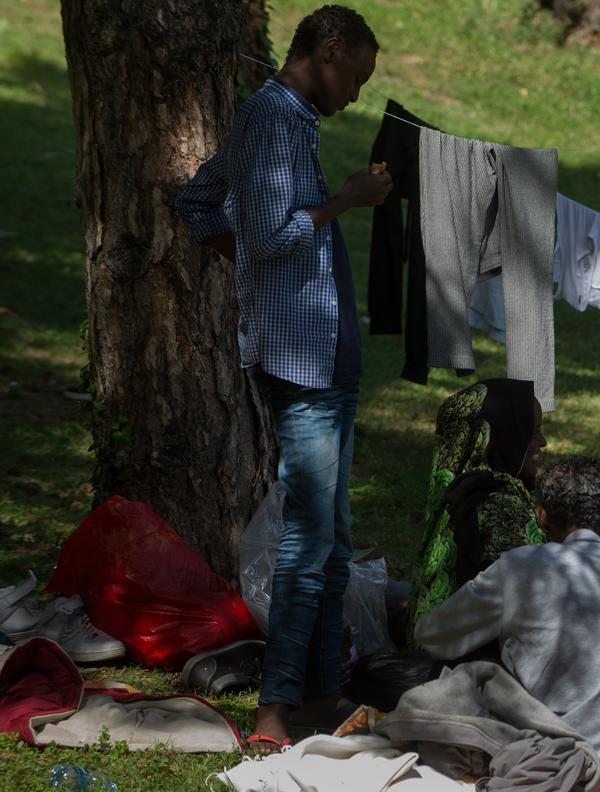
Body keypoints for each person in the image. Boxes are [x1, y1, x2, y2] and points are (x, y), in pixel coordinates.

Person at [174, 5, 391, 753]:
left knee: (332, 542)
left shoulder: (286, 121)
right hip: (303, 364)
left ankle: (323, 692)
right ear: (327, 52)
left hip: (321, 352)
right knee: (308, 542)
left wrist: (252, 277)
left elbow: (198, 200)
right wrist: (346, 201)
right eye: (356, 76)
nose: (357, 95)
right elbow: (268, 235)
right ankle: (274, 711)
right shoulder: (273, 119)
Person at [415, 456, 600, 791]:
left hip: (556, 767)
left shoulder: (519, 569)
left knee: (470, 665)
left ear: (542, 517)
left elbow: (431, 636)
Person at [409, 379, 547, 633]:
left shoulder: (457, 490)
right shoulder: (499, 507)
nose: (543, 442)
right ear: (507, 436)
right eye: (534, 430)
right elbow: (537, 602)